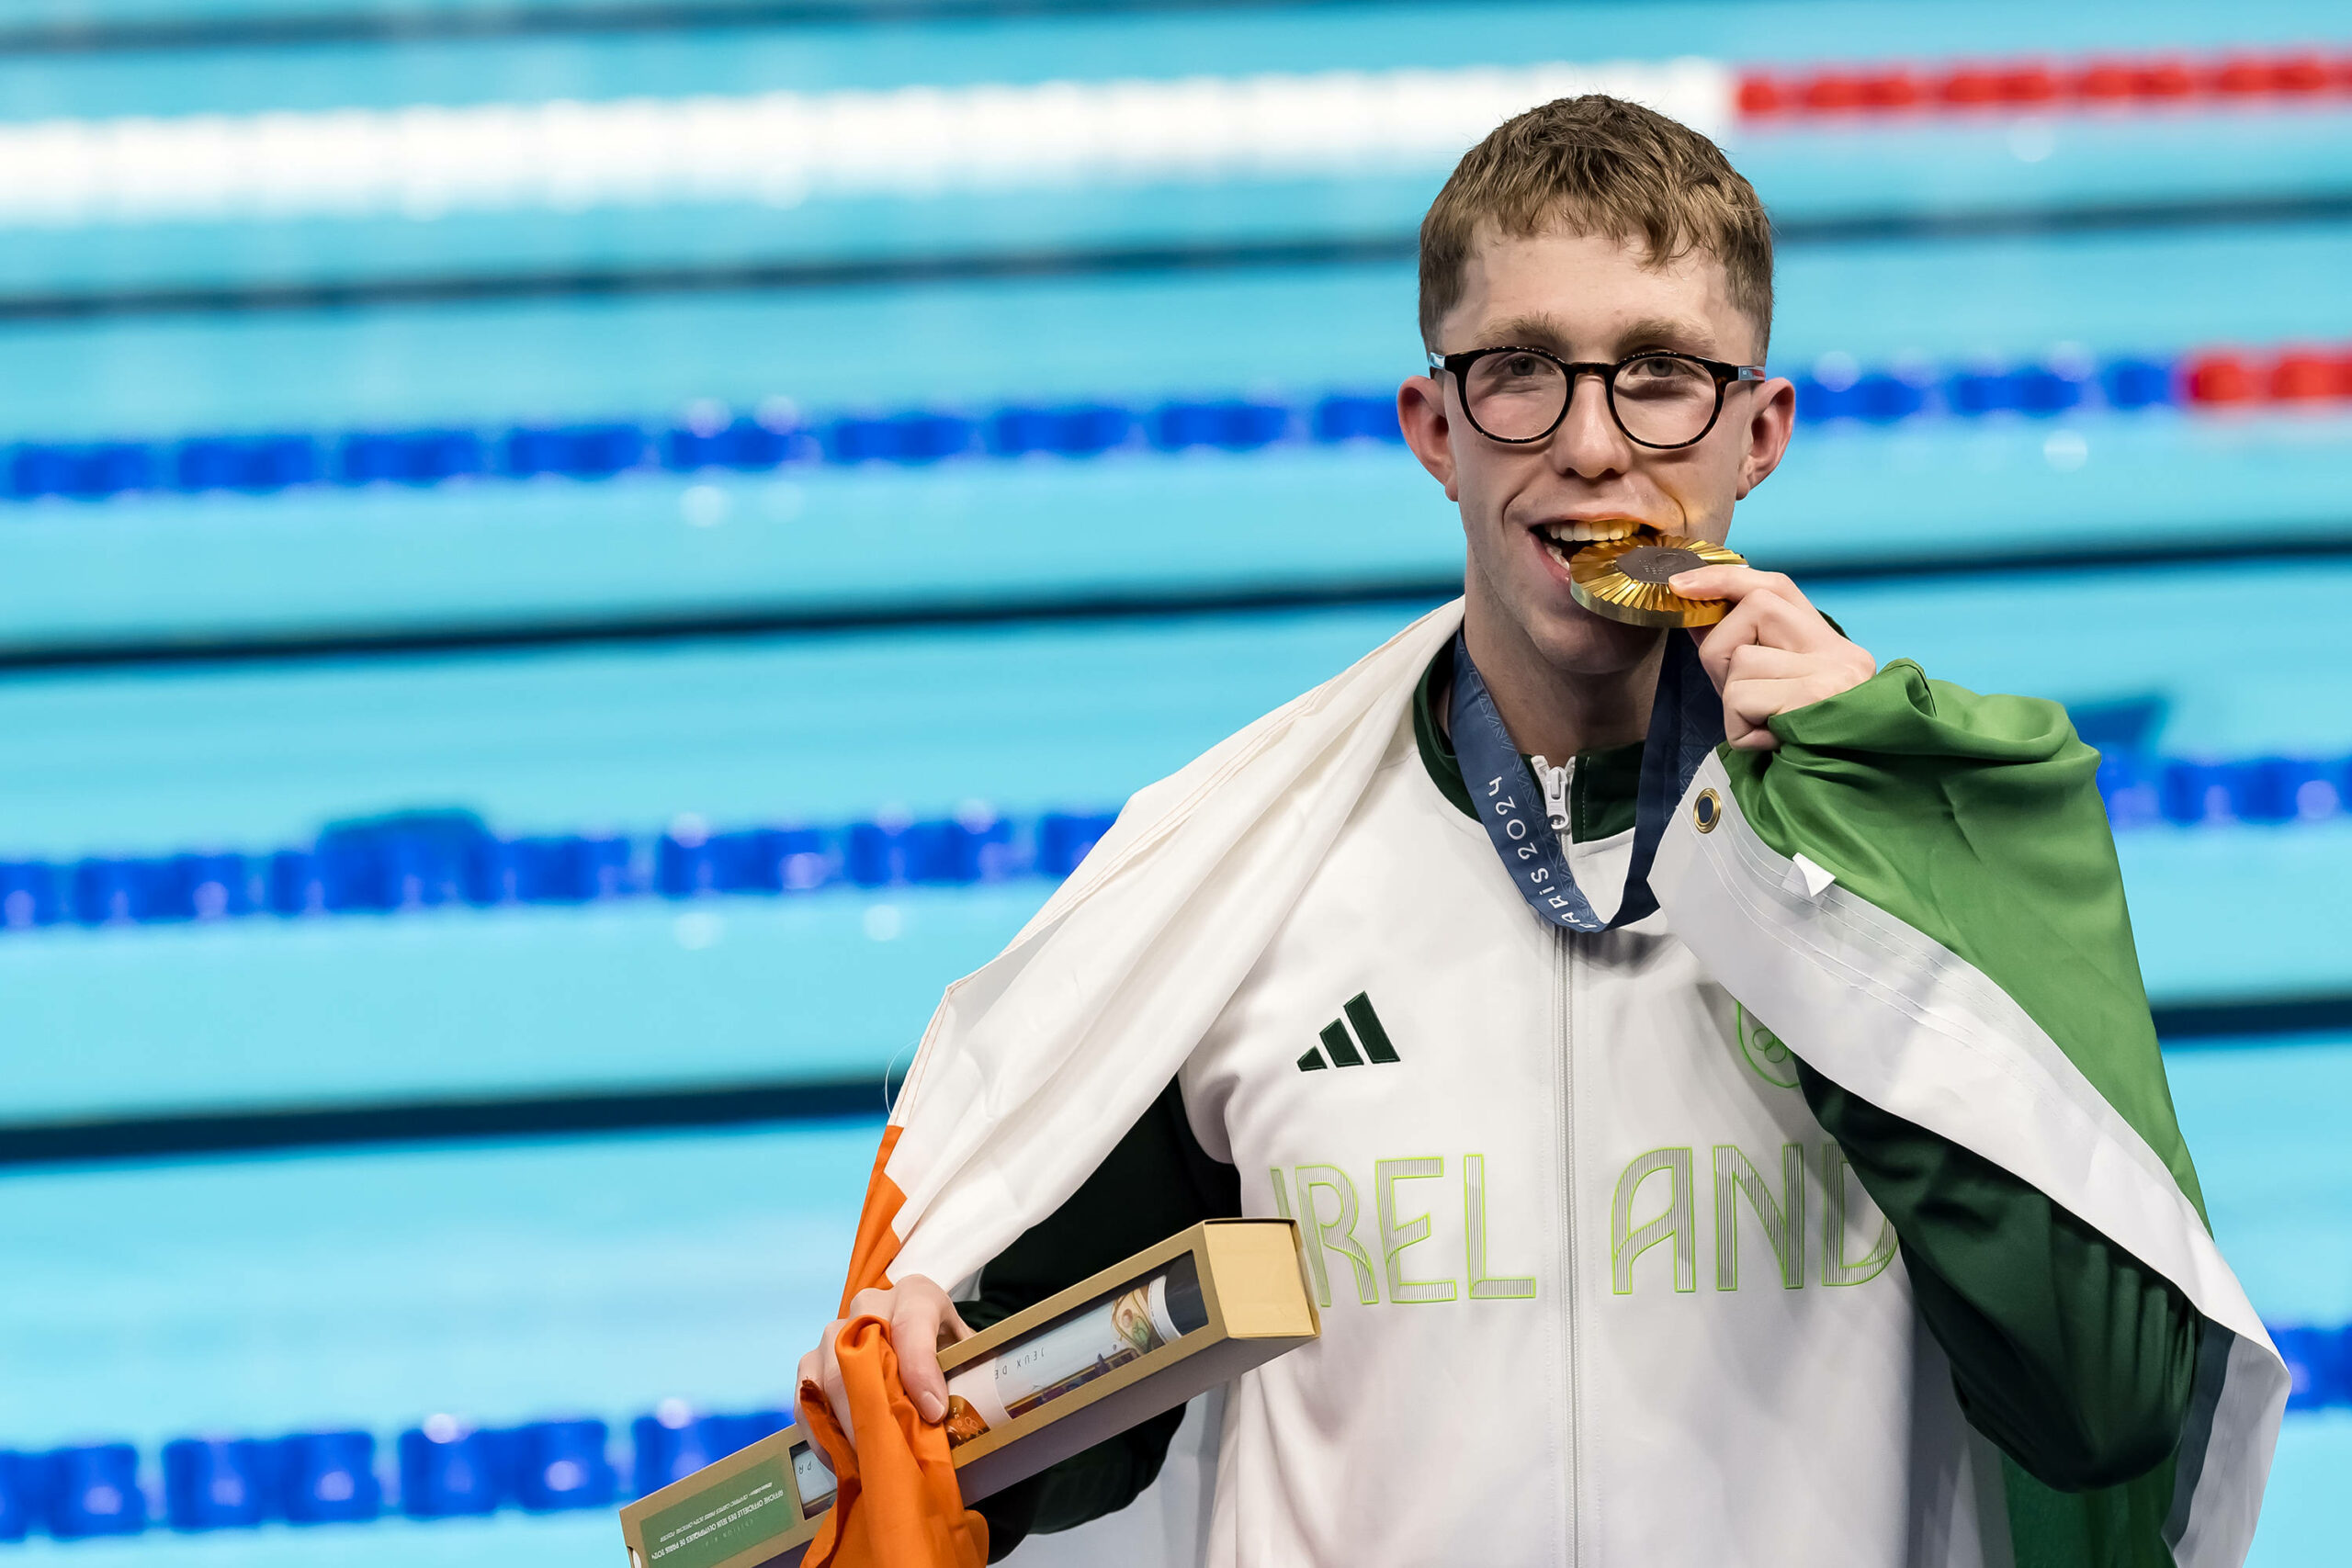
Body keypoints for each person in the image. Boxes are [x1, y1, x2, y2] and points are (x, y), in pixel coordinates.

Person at [795, 96, 2279, 1567]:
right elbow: (1061, 1426)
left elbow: (2108, 1406)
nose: (1589, 444)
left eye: (1659, 374)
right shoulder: (1239, 874)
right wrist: (949, 1380)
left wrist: (1850, 871)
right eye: (1520, 372)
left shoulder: (1924, 845)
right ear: (1436, 430)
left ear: (1759, 431)